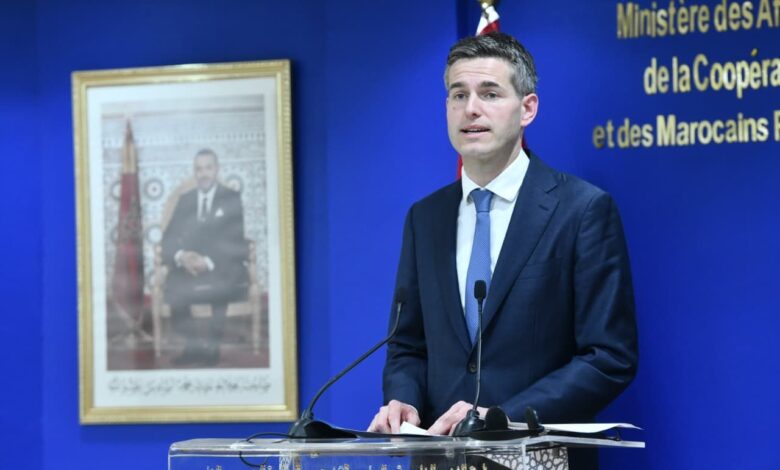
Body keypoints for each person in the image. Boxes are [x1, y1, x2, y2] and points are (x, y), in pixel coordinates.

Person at [368, 33, 638, 467]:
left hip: (542, 458)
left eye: (490, 93)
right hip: (442, 460)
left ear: (527, 108)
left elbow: (608, 358)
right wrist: (404, 399)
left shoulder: (582, 209)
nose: (471, 108)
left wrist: (500, 418)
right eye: (459, 95)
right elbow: (407, 345)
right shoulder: (425, 217)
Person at [161, 149, 249, 366]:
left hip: (220, 265)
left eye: (208, 168)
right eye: (199, 169)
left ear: (216, 169)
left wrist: (207, 262)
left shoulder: (231, 198)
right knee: (174, 285)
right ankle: (192, 348)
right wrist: (182, 256)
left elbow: (234, 239)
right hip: (189, 267)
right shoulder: (185, 200)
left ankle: (212, 348)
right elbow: (168, 237)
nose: (203, 174)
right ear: (194, 172)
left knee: (221, 283)